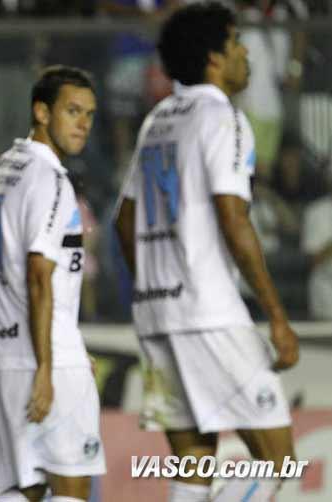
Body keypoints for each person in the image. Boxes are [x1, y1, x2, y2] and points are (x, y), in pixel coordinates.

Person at [114, 3, 299, 501]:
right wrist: (278, 316)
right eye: (236, 43)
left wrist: (155, 283)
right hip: (209, 314)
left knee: (192, 468)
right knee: (281, 464)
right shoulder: (223, 116)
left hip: (156, 316)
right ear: (215, 59)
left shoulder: (158, 120)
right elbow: (233, 217)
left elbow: (125, 220)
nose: (245, 53)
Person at [0, 65, 106, 502]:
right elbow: (38, 275)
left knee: (21, 486)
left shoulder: (1, 171)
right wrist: (47, 367)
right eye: (72, 110)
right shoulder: (50, 179)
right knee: (71, 483)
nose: (83, 122)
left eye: (88, 113)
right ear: (41, 111)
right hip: (42, 355)